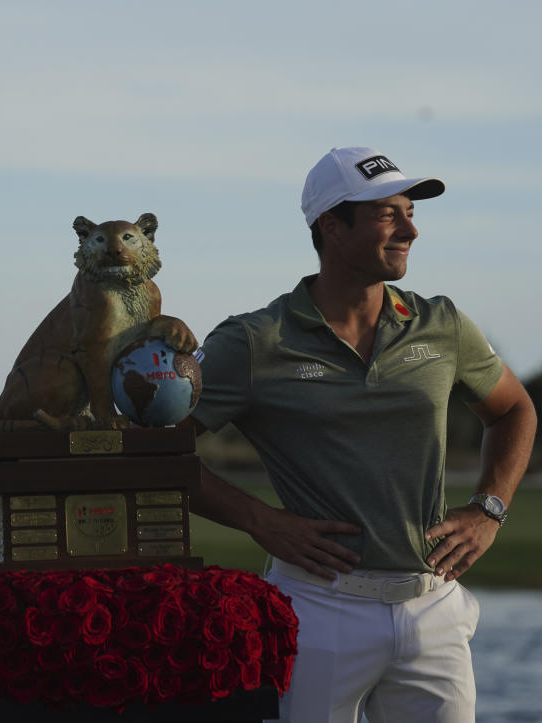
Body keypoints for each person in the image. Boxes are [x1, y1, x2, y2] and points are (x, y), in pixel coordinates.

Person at [188, 146, 536, 722]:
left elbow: (515, 409)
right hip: (317, 607)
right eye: (388, 214)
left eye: (410, 211)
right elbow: (156, 449)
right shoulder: (253, 340)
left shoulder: (441, 323)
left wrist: (489, 508)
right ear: (331, 226)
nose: (411, 229)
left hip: (434, 607)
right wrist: (260, 520)